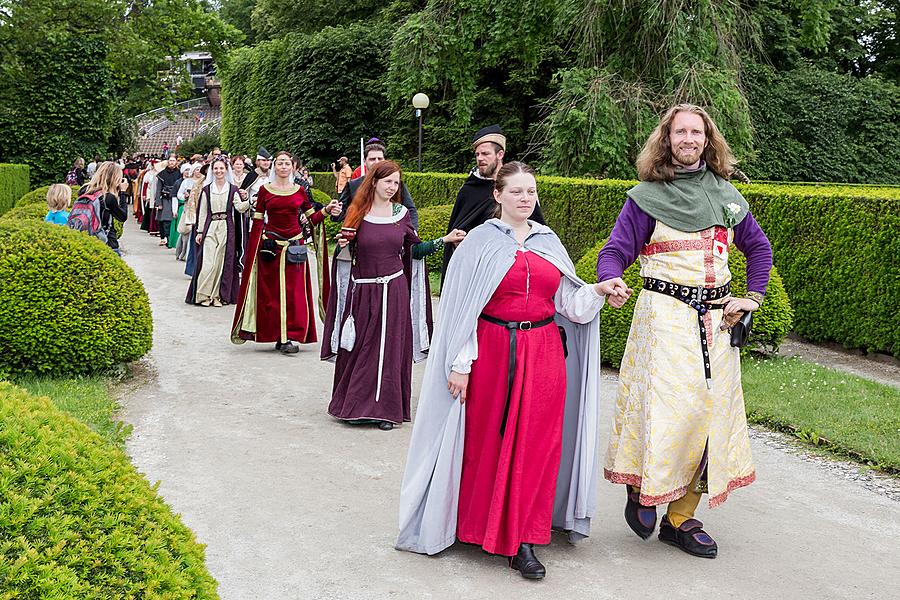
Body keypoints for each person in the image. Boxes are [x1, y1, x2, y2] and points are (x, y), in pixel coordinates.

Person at [397, 162, 622, 579]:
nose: (525, 198)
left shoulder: (548, 241)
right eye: (516, 191)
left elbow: (568, 304)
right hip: (493, 355)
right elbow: (463, 309)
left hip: (544, 355)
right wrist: (460, 364)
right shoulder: (479, 243)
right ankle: (476, 527)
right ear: (497, 195)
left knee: (538, 445)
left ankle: (524, 538)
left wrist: (598, 290)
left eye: (531, 191)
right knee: (488, 442)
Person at [597, 104, 773, 559]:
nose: (689, 139)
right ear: (668, 139)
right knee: (667, 413)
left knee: (709, 418)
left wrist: (751, 297)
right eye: (681, 132)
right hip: (666, 320)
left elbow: (758, 249)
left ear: (708, 139)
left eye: (697, 132)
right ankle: (644, 487)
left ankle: (681, 517)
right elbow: (617, 249)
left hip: (717, 324)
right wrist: (611, 276)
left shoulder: (728, 196)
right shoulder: (645, 197)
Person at [322, 161, 464, 431]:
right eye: (388, 181)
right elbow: (346, 255)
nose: (392, 187)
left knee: (389, 350)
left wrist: (445, 240)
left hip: (394, 290)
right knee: (361, 347)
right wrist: (344, 246)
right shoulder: (357, 212)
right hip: (363, 291)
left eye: (396, 183)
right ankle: (353, 406)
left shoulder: (401, 215)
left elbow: (415, 250)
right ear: (374, 182)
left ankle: (386, 411)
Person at [231, 151, 340, 354]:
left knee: (295, 294)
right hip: (270, 250)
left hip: (294, 251)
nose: (283, 166)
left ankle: (290, 335)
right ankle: (276, 335)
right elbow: (257, 221)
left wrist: (326, 210)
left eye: (286, 163)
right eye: (279, 163)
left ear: (292, 166)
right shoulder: (264, 191)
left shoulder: (300, 191)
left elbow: (311, 218)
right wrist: (254, 248)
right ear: (275, 166)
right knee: (270, 296)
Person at [440, 125, 545, 284]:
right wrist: (458, 243)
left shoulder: (519, 186)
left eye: (485, 154)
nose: (480, 158)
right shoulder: (469, 190)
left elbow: (536, 227)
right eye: (477, 154)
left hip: (515, 269)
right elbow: (459, 231)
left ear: (500, 154)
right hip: (477, 272)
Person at [186, 157, 243, 307]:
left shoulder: (232, 189)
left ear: (226, 170)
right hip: (211, 227)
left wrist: (250, 201)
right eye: (216, 168)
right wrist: (199, 232)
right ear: (212, 170)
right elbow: (203, 212)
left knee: (221, 262)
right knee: (208, 263)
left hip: (226, 228)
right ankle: (203, 294)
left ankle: (217, 296)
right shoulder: (206, 189)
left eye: (221, 168)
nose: (218, 171)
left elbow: (239, 207)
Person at [332, 141, 419, 229]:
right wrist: (336, 212)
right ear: (364, 162)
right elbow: (342, 212)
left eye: (380, 158)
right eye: (372, 159)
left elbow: (410, 209)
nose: (376, 162)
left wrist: (412, 231)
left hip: (391, 234)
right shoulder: (353, 185)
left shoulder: (396, 184)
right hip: (361, 237)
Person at [76, 161, 129, 255]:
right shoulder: (108, 198)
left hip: (86, 239)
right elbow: (122, 216)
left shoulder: (84, 190)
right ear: (114, 178)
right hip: (107, 242)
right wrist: (123, 192)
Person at [174, 163, 200, 261]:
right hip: (188, 208)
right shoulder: (186, 182)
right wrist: (184, 196)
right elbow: (179, 194)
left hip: (199, 209)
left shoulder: (204, 181)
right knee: (186, 231)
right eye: (197, 169)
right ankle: (182, 252)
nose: (199, 171)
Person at [155, 156, 181, 247]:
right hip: (165, 199)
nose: (171, 162)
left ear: (176, 162)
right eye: (170, 160)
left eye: (173, 161)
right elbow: (158, 189)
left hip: (176, 199)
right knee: (164, 220)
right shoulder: (162, 174)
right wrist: (158, 203)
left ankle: (171, 239)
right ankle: (164, 237)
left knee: (173, 220)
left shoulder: (179, 173)